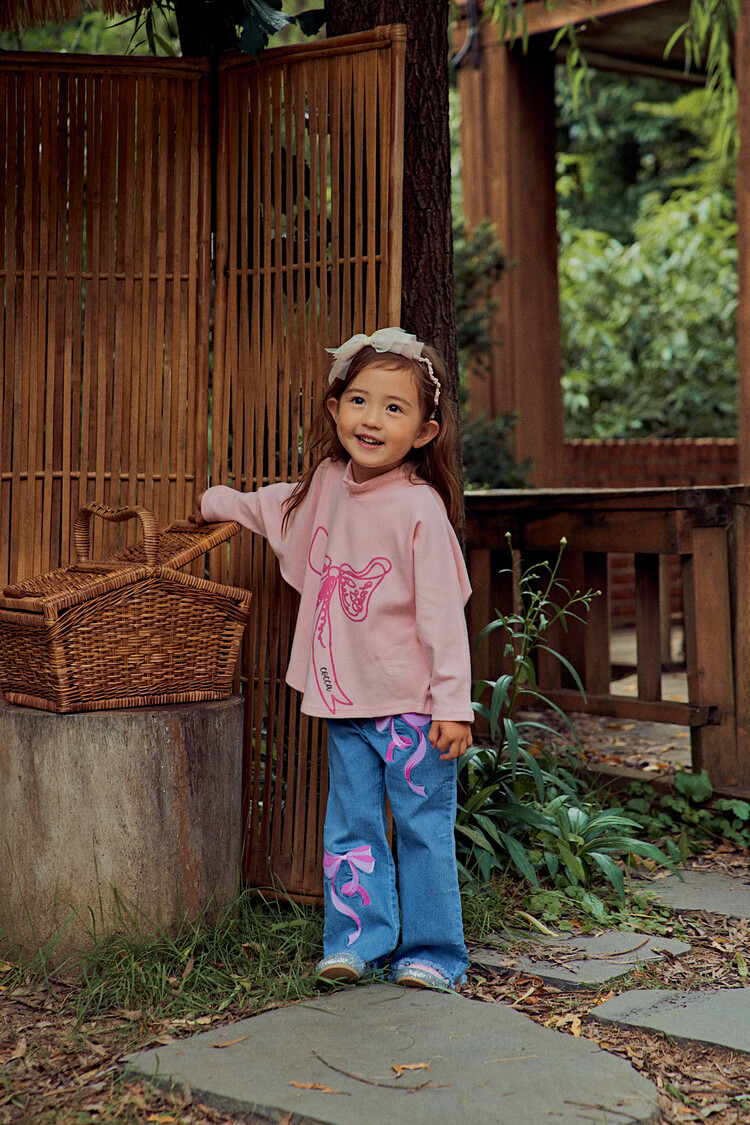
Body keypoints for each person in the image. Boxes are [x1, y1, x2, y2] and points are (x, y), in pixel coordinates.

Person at [195, 327, 473, 991]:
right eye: (359, 400)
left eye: (394, 408)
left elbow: (443, 614)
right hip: (345, 698)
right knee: (350, 824)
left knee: (422, 827)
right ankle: (356, 942)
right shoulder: (327, 484)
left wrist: (452, 704)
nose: (372, 419)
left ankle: (434, 952)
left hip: (413, 707)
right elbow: (277, 506)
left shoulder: (420, 508)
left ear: (425, 433)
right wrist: (218, 503)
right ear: (334, 408)